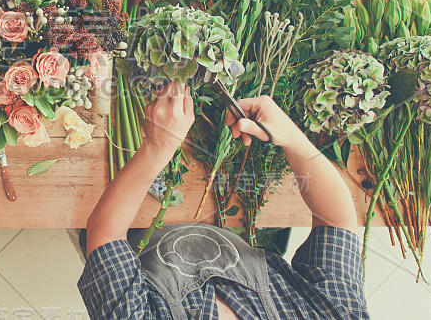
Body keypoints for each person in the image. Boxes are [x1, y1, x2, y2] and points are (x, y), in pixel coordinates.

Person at [78, 82, 370, 319]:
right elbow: (337, 222)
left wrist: (158, 146)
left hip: (124, 223)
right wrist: (291, 138)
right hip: (213, 220)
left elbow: (104, 236)